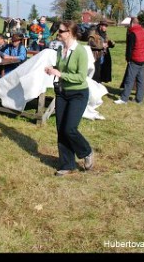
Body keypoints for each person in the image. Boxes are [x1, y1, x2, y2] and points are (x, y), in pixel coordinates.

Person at [44, 20, 94, 177]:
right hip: (62, 93)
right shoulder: (61, 49)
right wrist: (53, 70)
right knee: (61, 129)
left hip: (78, 94)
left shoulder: (80, 51)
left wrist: (60, 74)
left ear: (70, 33)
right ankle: (67, 164)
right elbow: (62, 68)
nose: (58, 33)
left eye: (61, 31)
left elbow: (80, 77)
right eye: (58, 31)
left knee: (69, 128)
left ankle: (87, 152)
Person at [114, 16, 144, 105]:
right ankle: (139, 99)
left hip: (135, 59)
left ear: (132, 23)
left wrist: (128, 59)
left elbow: (129, 48)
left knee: (129, 79)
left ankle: (124, 99)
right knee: (140, 80)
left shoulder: (133, 33)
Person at [88, 19, 115, 84]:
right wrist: (101, 45)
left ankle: (100, 83)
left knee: (103, 70)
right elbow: (91, 42)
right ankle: (94, 84)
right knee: (96, 71)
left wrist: (110, 43)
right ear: (100, 26)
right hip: (96, 55)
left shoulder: (104, 34)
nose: (105, 27)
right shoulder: (93, 32)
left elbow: (106, 41)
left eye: (106, 26)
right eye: (104, 26)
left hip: (104, 54)